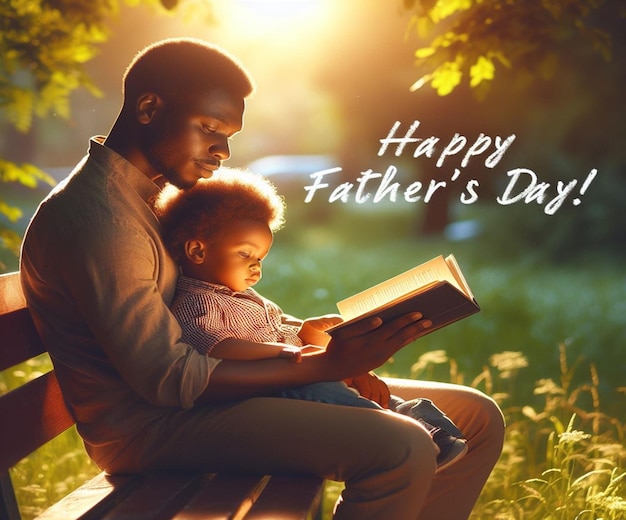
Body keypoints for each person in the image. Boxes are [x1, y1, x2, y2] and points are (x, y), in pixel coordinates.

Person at [19, 37, 505, 519]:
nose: (223, 150)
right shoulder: (102, 220)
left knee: (476, 416)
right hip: (150, 427)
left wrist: (326, 340)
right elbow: (168, 378)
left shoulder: (151, 196)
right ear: (148, 108)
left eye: (228, 134)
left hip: (199, 401)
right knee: (403, 445)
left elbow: (216, 304)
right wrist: (322, 366)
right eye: (209, 127)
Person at [154, 168, 468, 472]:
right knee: (339, 399)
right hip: (270, 389)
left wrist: (308, 332)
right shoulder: (197, 302)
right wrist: (283, 354)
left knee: (377, 396)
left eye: (260, 258)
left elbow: (279, 329)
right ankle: (413, 436)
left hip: (301, 374)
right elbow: (215, 346)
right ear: (197, 250)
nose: (256, 268)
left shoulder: (242, 296)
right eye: (245, 254)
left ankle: (430, 430)